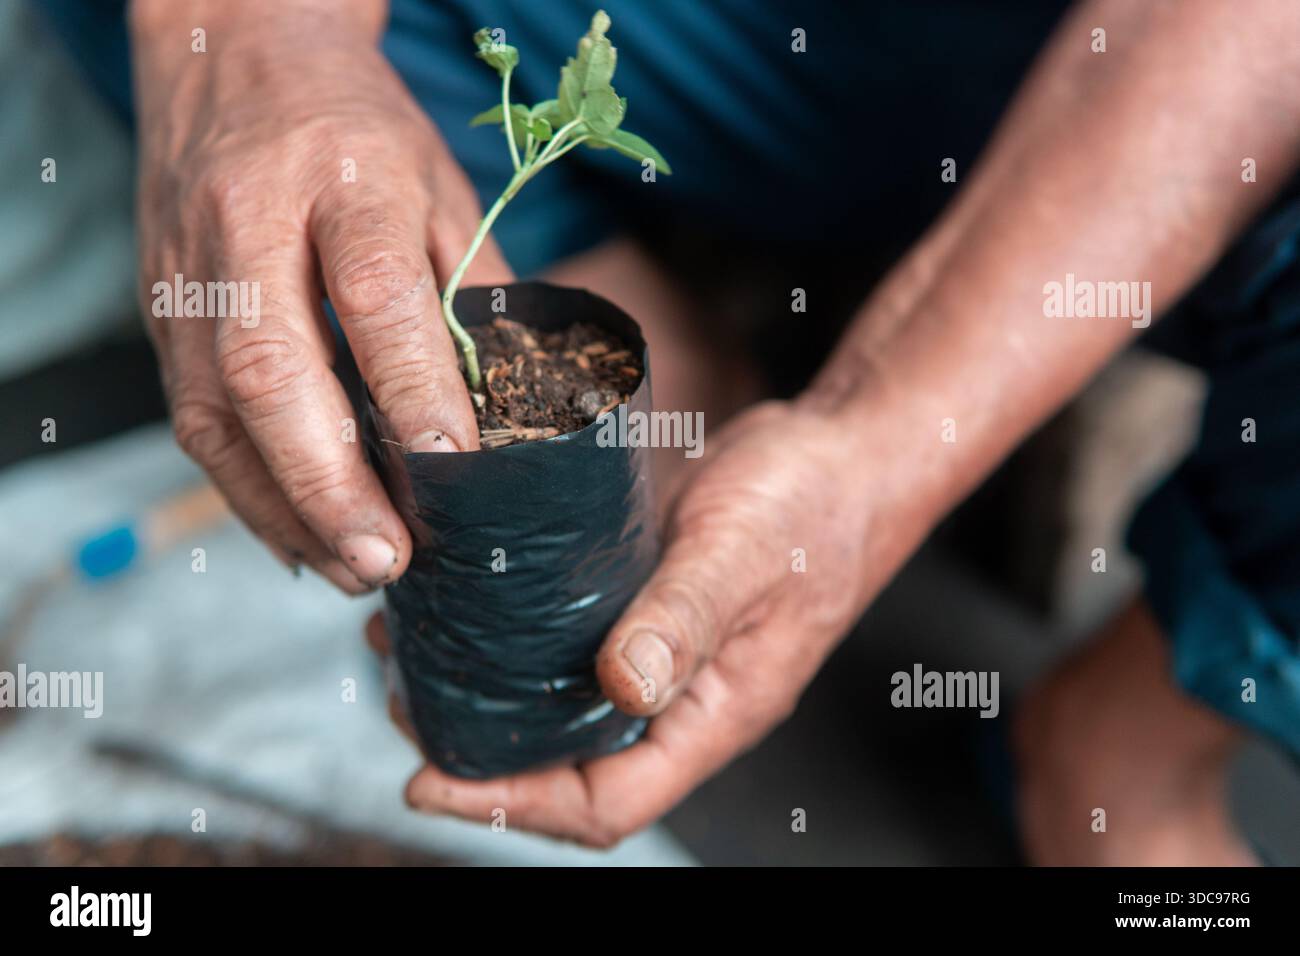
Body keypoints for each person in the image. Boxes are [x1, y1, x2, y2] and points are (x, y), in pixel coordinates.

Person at [39, 0, 1300, 862]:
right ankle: (665, 393)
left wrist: (882, 445)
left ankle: (1128, 743)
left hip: (1099, 73)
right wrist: (259, 45)